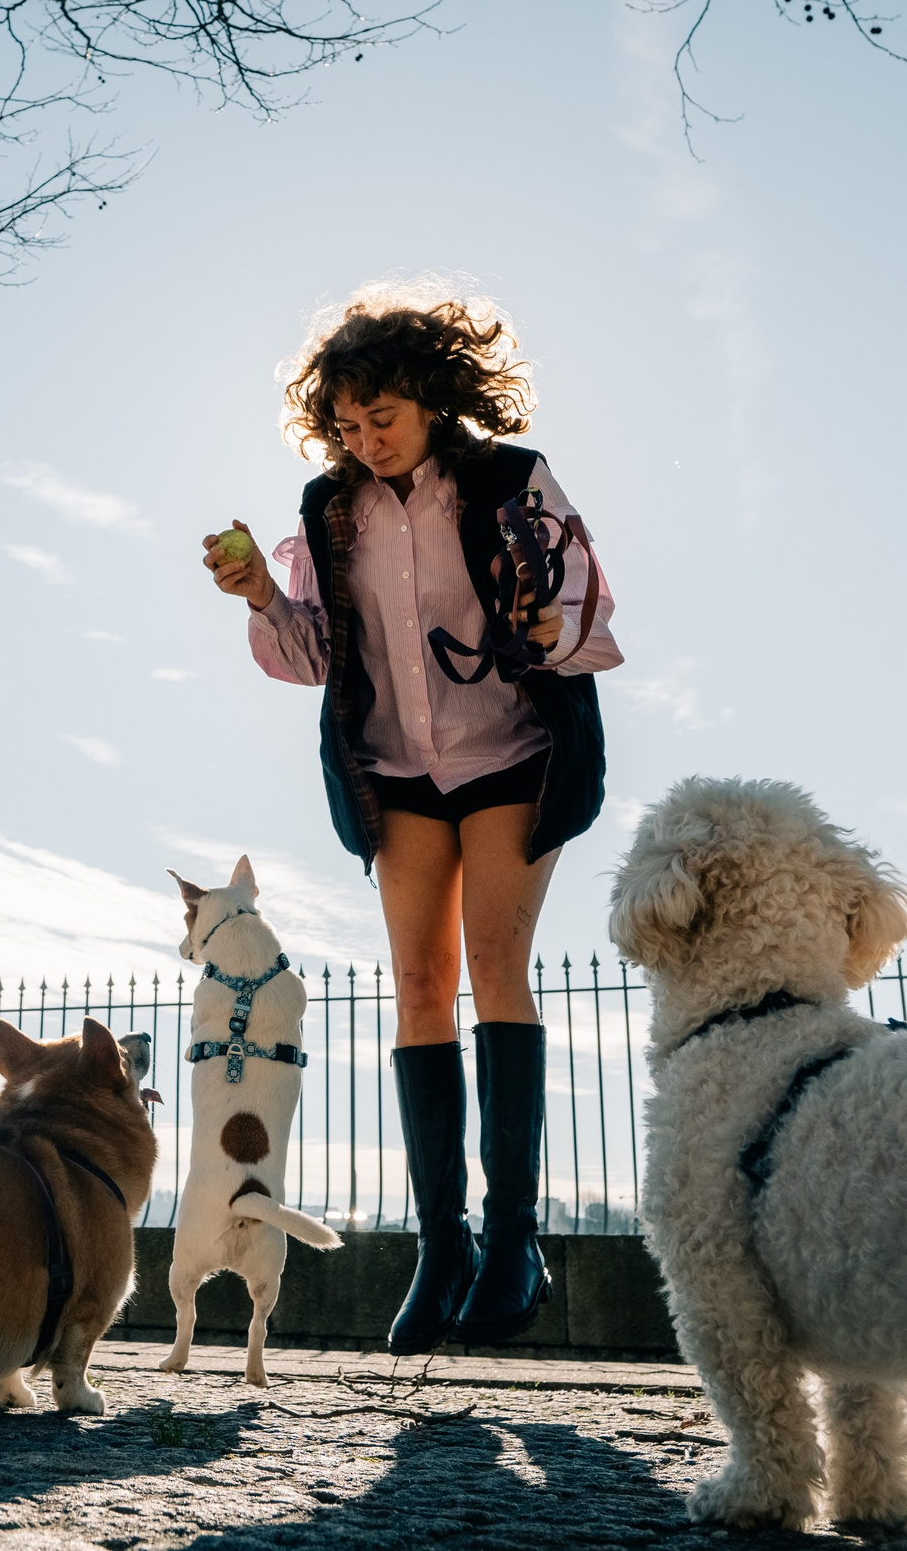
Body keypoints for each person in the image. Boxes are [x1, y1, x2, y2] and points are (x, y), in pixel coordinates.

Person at [202, 287, 620, 1353]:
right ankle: (444, 1250)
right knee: (420, 988)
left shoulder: (509, 478)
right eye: (344, 424)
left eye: (379, 415)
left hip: (511, 754)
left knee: (493, 969)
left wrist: (541, 620)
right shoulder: (327, 510)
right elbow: (313, 659)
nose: (364, 438)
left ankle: (512, 1240)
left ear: (430, 397)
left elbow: (583, 609)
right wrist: (260, 594)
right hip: (394, 770)